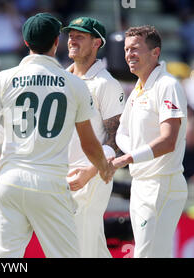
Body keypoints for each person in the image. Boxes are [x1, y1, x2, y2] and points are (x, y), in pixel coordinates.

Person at [0, 13, 115, 258]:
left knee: (3, 260)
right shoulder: (74, 84)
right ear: (56, 42)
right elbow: (89, 143)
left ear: (26, 42)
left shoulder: (3, 78)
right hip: (50, 183)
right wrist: (103, 166)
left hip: (9, 180)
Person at [113, 25, 188, 258]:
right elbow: (121, 134)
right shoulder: (138, 88)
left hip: (161, 183)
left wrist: (130, 157)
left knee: (146, 254)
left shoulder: (168, 85)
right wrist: (133, 153)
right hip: (141, 183)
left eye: (135, 49)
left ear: (155, 52)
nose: (128, 55)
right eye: (126, 49)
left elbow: (168, 141)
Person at [62, 17, 125, 258]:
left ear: (97, 42)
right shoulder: (62, 78)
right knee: (94, 250)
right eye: (71, 35)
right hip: (63, 175)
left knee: (77, 249)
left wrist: (91, 170)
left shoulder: (106, 84)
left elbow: (117, 138)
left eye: (80, 36)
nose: (72, 39)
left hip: (90, 177)